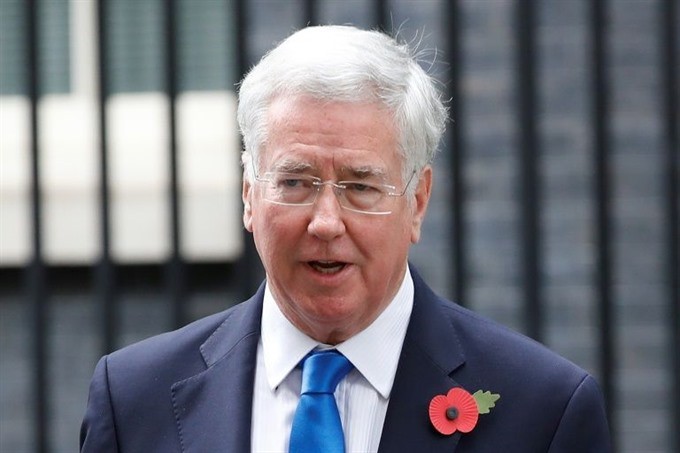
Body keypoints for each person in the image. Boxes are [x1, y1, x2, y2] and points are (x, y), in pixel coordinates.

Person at [80, 25, 611, 452]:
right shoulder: (133, 399)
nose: (326, 222)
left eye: (360, 185)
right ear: (249, 195)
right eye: (295, 182)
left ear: (417, 201)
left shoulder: (543, 411)